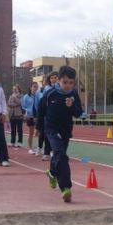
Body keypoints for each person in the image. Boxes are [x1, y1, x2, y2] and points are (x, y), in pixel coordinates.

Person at [36, 66, 83, 203]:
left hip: (66, 130)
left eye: (71, 83)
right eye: (65, 82)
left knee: (58, 156)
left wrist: (71, 106)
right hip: (51, 129)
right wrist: (39, 128)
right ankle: (66, 188)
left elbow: (79, 113)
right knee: (61, 154)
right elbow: (41, 110)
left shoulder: (73, 94)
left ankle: (51, 173)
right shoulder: (50, 94)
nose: (68, 86)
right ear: (59, 80)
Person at [36, 72, 58, 160]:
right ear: (49, 79)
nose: (54, 79)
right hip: (48, 114)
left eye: (55, 77)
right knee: (47, 134)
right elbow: (43, 103)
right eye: (52, 78)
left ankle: (54, 150)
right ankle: (46, 152)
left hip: (57, 115)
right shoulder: (47, 89)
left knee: (56, 134)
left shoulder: (60, 88)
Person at [22, 82, 40, 154]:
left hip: (37, 116)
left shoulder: (38, 96)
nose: (35, 88)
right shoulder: (26, 96)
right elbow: (23, 107)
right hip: (30, 116)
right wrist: (25, 114)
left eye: (36, 87)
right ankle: (30, 148)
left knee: (39, 132)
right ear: (30, 88)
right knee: (31, 132)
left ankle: (39, 147)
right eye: (34, 86)